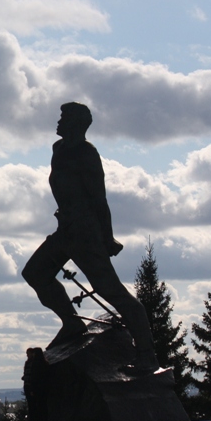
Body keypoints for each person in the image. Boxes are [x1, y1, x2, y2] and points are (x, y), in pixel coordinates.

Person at [21, 102, 159, 373]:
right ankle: (72, 323)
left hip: (85, 231)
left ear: (77, 123)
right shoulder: (58, 149)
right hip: (66, 228)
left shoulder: (87, 154)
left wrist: (107, 237)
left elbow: (99, 198)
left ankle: (147, 354)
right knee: (35, 272)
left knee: (112, 292)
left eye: (64, 117)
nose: (58, 121)